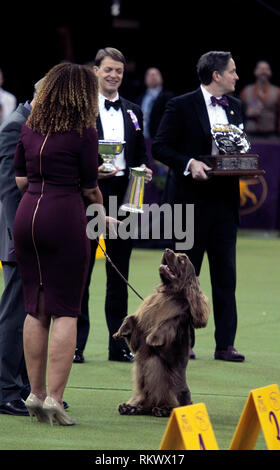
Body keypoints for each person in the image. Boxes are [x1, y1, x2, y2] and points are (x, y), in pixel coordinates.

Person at [13, 62, 106, 425]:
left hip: (27, 215)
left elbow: (21, 180)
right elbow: (89, 186)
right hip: (63, 215)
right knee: (66, 309)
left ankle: (34, 394)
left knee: (34, 307)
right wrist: (100, 210)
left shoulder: (30, 126)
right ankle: (55, 399)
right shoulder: (84, 131)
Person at [152, 51, 245, 362]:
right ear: (216, 75)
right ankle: (182, 342)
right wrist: (189, 163)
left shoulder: (236, 107)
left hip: (224, 205)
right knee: (184, 277)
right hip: (189, 203)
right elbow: (160, 147)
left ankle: (225, 344)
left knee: (225, 276)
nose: (236, 77)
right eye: (232, 72)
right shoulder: (180, 105)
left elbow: (237, 148)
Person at [74, 47, 152, 364]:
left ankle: (117, 344)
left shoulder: (133, 111)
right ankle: (75, 345)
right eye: (108, 69)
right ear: (95, 71)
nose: (113, 75)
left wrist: (144, 170)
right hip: (88, 193)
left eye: (118, 71)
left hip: (124, 196)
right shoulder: (79, 108)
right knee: (82, 271)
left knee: (118, 274)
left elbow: (140, 154)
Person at [0, 79, 44, 417]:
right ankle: (4, 391)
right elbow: (8, 190)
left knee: (35, 315)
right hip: (20, 241)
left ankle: (28, 388)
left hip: (35, 238)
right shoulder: (15, 125)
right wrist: (22, 239)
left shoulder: (32, 124)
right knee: (14, 316)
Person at [240, 60, 280, 138]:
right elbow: (238, 112)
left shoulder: (277, 92)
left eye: (266, 69)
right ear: (255, 72)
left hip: (270, 135)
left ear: (270, 72)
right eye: (261, 69)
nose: (264, 71)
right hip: (250, 134)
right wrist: (246, 113)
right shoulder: (246, 91)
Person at [137, 67, 174, 139]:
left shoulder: (168, 97)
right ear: (145, 79)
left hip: (160, 138)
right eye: (149, 75)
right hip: (142, 139)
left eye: (156, 74)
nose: (153, 76)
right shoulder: (139, 98)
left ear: (161, 78)